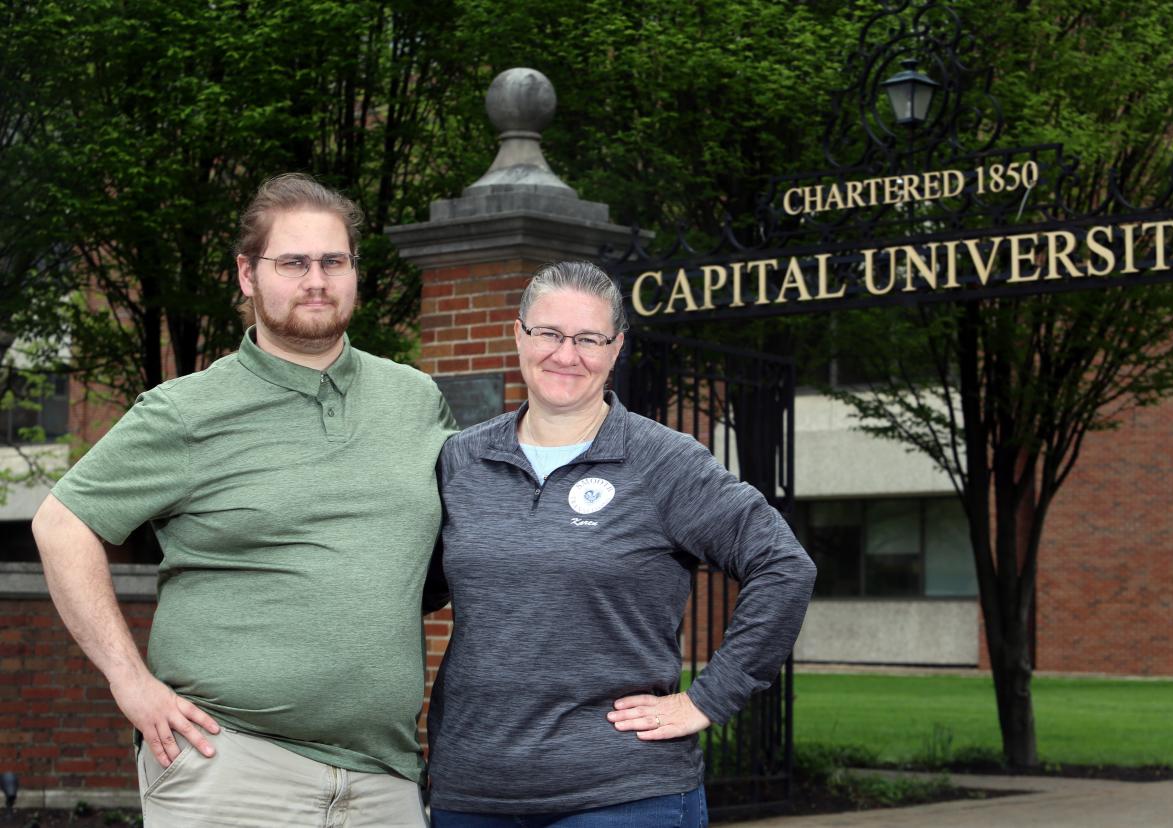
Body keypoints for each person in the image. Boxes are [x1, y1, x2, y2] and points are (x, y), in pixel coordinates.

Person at [32, 173, 455, 828]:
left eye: (333, 261)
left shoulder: (415, 400)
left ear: (353, 273)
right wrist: (130, 681)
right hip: (229, 768)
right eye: (292, 262)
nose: (316, 279)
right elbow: (62, 524)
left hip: (385, 777)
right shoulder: (185, 411)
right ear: (248, 275)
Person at [426, 260, 817, 826]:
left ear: (615, 349)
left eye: (589, 338)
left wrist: (708, 698)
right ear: (518, 334)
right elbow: (416, 587)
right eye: (549, 334)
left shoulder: (663, 461)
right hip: (473, 792)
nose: (566, 354)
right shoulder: (462, 460)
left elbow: (784, 566)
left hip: (623, 793)